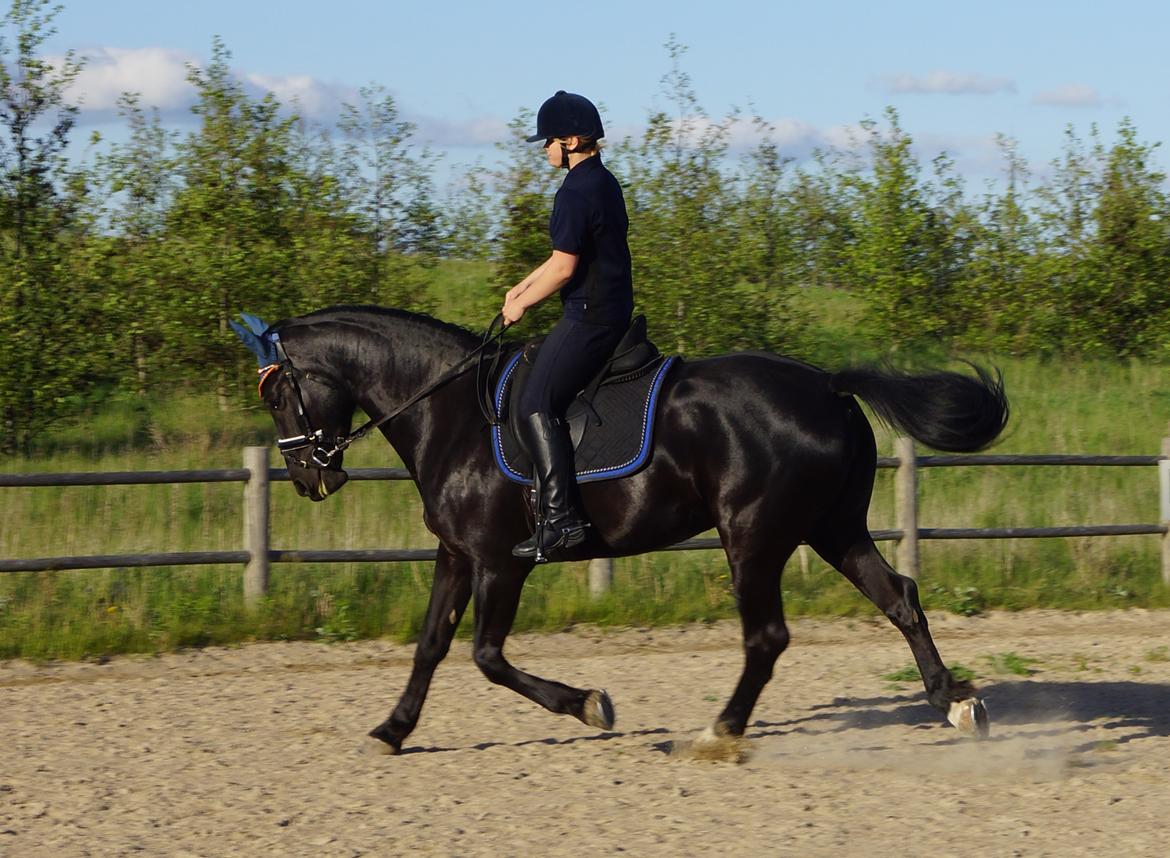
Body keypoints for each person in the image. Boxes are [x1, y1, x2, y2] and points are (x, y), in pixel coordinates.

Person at [501, 90, 634, 561]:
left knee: (535, 402)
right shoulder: (605, 182)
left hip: (590, 316)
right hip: (611, 308)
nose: (545, 150)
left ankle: (561, 520)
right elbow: (562, 257)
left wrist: (522, 308)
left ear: (573, 140)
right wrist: (518, 289)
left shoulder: (574, 192)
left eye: (550, 141)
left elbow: (563, 269)